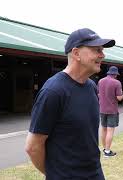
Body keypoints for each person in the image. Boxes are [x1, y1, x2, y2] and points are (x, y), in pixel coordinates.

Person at [25, 28, 115, 179]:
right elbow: (33, 147)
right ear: (76, 53)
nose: (102, 55)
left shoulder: (91, 86)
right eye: (96, 50)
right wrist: (55, 175)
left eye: (102, 50)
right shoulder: (53, 91)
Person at [98, 66, 123, 157]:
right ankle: (108, 152)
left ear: (109, 73)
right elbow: (119, 98)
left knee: (103, 129)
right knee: (110, 131)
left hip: (102, 109)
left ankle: (104, 148)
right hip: (112, 110)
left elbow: (99, 94)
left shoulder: (100, 81)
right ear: (116, 74)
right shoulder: (117, 83)